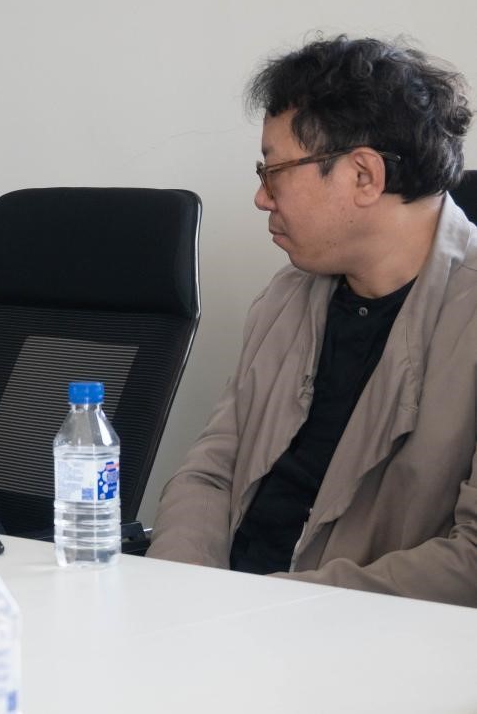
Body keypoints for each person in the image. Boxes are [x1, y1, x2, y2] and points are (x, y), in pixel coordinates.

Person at [148, 36, 477, 607]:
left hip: (359, 640)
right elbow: (209, 472)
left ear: (364, 175)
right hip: (218, 620)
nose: (261, 197)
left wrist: (271, 608)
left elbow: (469, 563)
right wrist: (184, 593)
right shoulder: (288, 295)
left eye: (273, 171)